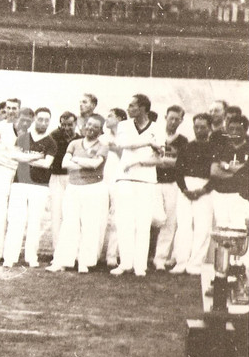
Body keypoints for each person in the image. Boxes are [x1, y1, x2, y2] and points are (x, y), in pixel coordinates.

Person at [48, 114, 109, 273]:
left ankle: (84, 261)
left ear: (100, 130)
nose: (90, 128)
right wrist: (83, 163)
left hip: (93, 188)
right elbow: (64, 163)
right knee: (69, 223)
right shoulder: (74, 143)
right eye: (88, 124)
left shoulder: (103, 145)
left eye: (95, 126)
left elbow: (96, 164)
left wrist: (77, 161)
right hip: (73, 187)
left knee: (89, 224)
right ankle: (62, 261)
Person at [112, 94, 164, 277]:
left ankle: (139, 265)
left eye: (132, 106)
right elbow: (124, 144)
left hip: (146, 180)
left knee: (143, 223)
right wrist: (149, 142)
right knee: (124, 222)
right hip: (124, 179)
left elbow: (159, 156)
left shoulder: (158, 127)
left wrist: (136, 163)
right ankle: (125, 263)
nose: (129, 108)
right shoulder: (124, 125)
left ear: (143, 108)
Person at [4, 108, 56, 268]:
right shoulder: (23, 138)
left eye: (47, 120)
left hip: (40, 186)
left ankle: (31, 257)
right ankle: (10, 257)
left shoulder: (51, 142)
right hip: (20, 183)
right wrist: (35, 156)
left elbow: (47, 164)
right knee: (15, 220)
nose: (43, 123)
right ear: (35, 120)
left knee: (35, 221)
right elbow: (14, 156)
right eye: (40, 119)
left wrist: (25, 158)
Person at [170, 113, 214, 275]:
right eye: (196, 126)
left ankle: (195, 264)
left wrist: (203, 190)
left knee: (202, 227)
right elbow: (178, 171)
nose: (199, 130)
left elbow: (215, 175)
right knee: (183, 226)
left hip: (204, 190)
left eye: (203, 127)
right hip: (186, 189)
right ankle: (181, 262)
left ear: (209, 128)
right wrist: (185, 190)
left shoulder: (214, 148)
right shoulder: (186, 147)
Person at [151, 105, 187, 270]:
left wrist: (163, 162)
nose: (173, 122)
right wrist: (166, 162)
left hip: (172, 184)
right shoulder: (155, 136)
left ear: (181, 120)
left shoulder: (183, 141)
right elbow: (151, 159)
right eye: (171, 118)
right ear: (165, 117)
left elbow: (180, 163)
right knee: (152, 219)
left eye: (177, 119)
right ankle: (144, 255)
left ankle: (160, 258)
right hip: (153, 182)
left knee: (170, 221)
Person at [0, 97, 21, 262]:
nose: (11, 111)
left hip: (17, 172)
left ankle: (11, 252)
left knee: (14, 214)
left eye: (14, 108)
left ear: (19, 110)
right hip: (1, 171)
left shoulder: (24, 129)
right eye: (8, 108)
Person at [210, 115, 249, 230]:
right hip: (220, 194)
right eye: (231, 129)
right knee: (221, 229)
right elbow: (214, 171)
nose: (234, 132)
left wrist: (225, 166)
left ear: (245, 130)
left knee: (238, 229)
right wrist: (237, 170)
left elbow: (247, 172)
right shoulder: (221, 147)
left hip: (239, 196)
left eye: (238, 129)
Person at [98, 107, 126, 267]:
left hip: (119, 180)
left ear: (120, 119)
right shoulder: (102, 138)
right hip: (102, 180)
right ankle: (94, 255)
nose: (106, 119)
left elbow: (126, 157)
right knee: (100, 217)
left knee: (117, 218)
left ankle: (112, 255)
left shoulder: (126, 137)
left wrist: (114, 146)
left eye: (110, 116)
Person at [47, 111, 79, 252]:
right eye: (63, 125)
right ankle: (57, 250)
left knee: (73, 214)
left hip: (74, 179)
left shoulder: (80, 138)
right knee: (57, 214)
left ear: (75, 124)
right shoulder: (54, 136)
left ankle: (74, 250)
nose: (66, 128)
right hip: (57, 178)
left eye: (70, 125)